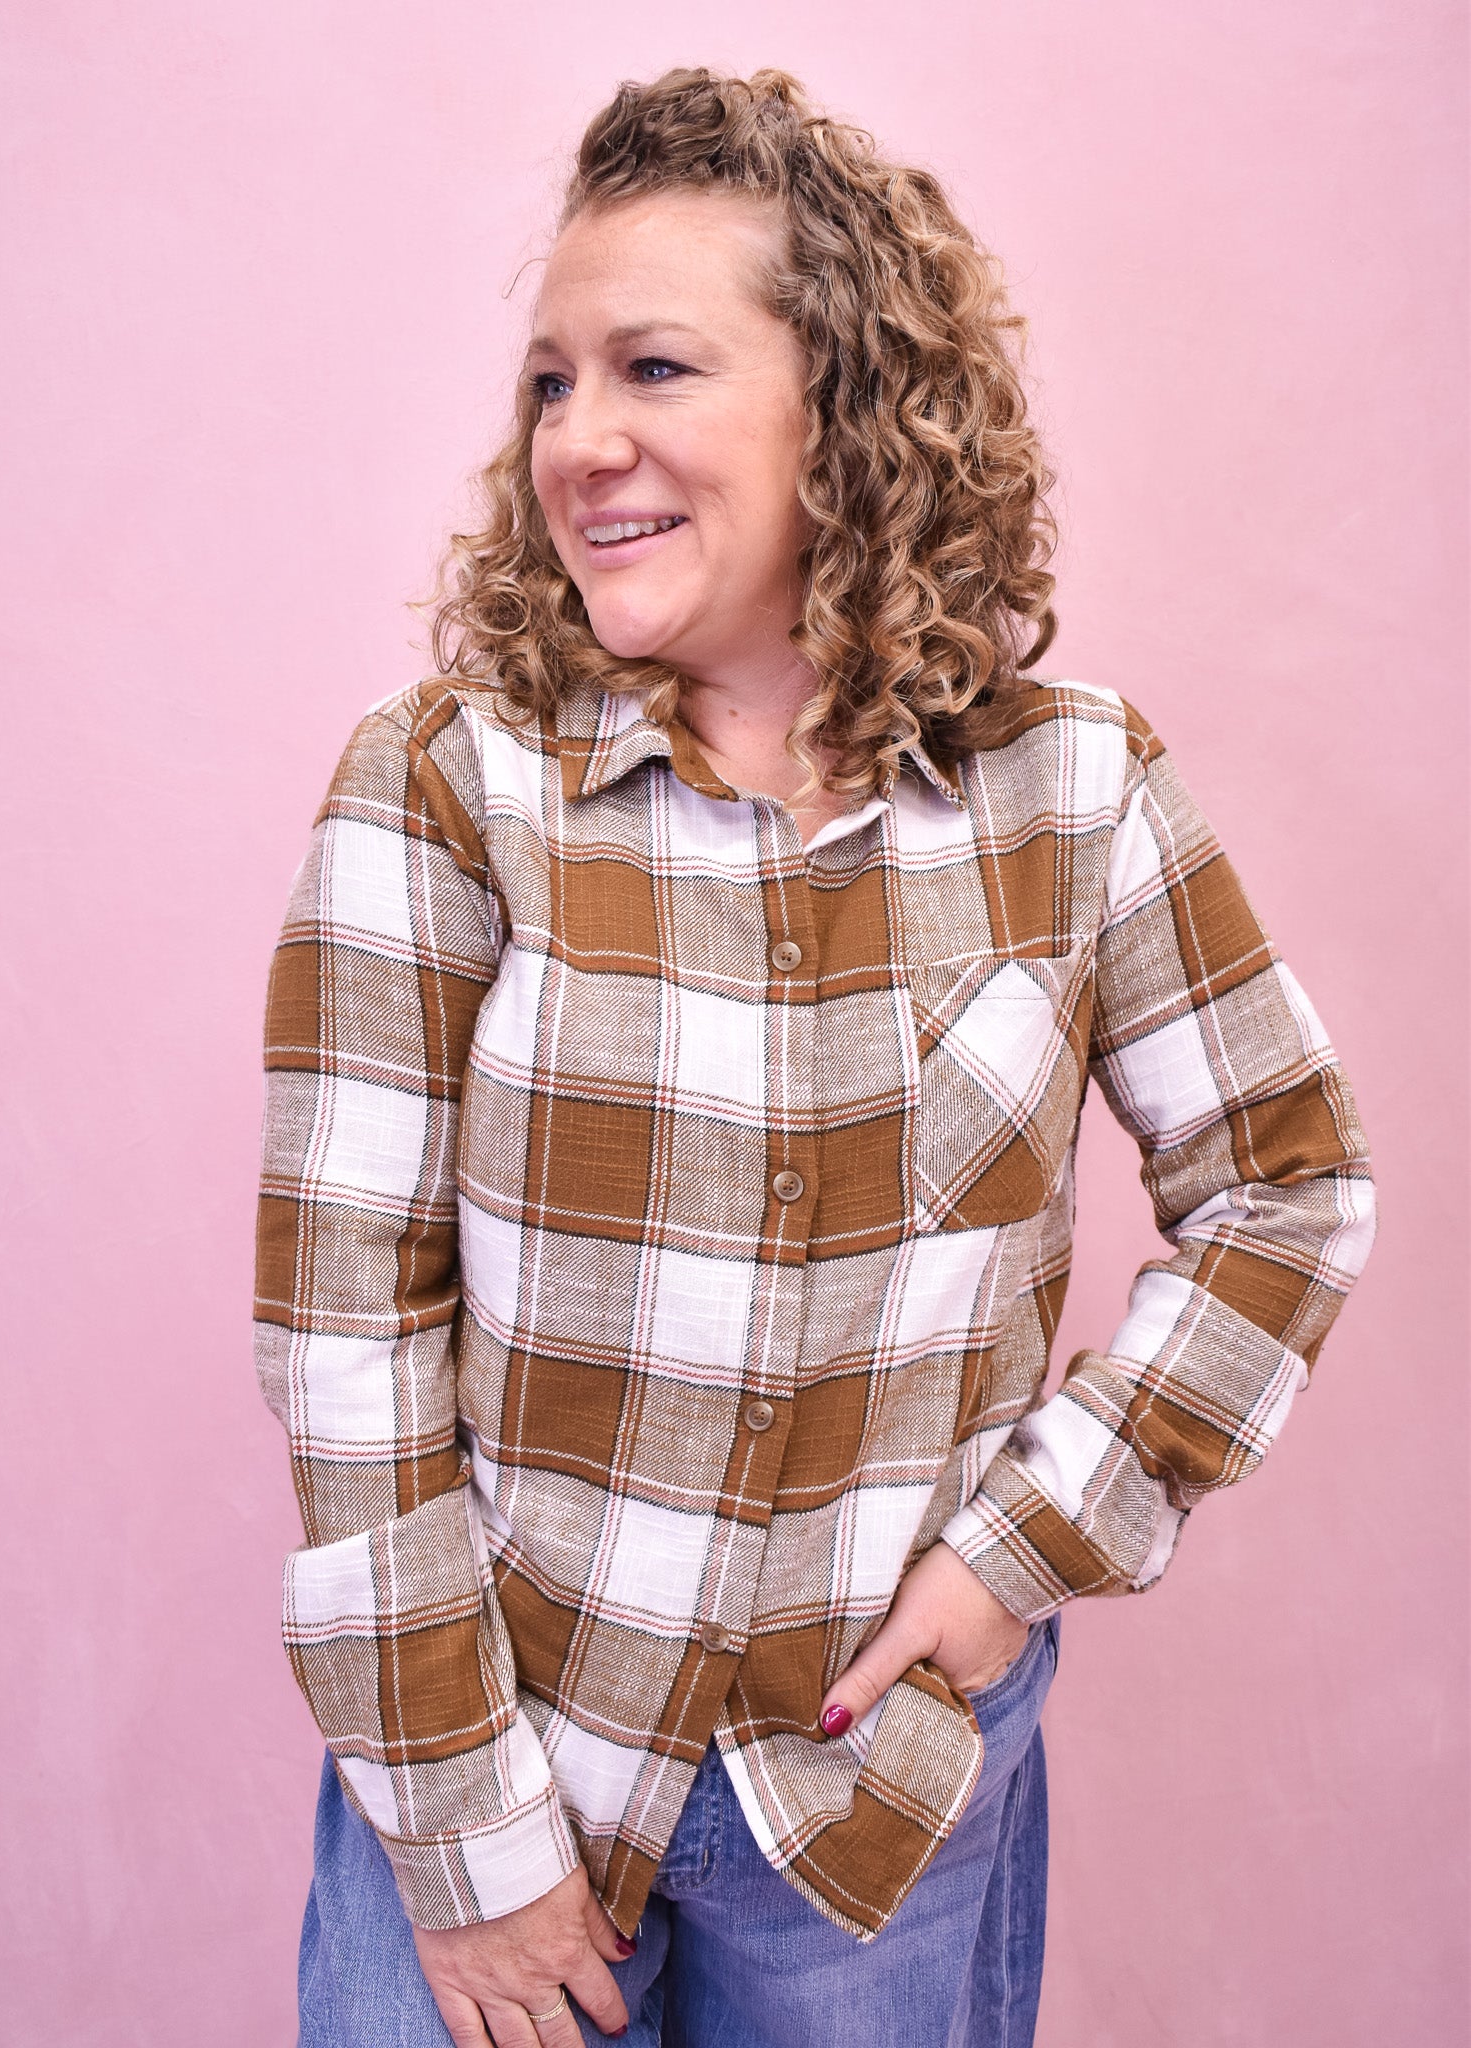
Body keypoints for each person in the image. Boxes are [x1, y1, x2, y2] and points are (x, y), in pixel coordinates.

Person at [253, 68, 1375, 2048]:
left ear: (850, 409)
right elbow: (350, 1341)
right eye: (547, 383)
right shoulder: (444, 784)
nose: (577, 441)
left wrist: (1030, 1549)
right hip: (503, 1780)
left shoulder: (1073, 790)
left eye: (653, 368)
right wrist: (464, 1831)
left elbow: (1286, 1184)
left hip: (877, 1815)